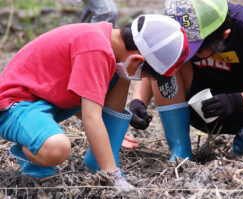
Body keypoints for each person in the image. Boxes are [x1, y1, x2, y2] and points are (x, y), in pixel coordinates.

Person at [0, 14, 190, 189]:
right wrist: (114, 177)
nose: (140, 79)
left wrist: (107, 137)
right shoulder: (96, 49)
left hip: (46, 102)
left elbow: (81, 99)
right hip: (15, 104)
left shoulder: (110, 46)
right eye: (144, 74)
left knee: (120, 77)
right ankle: (29, 151)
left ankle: (94, 161)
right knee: (57, 148)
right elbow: (91, 117)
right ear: (136, 60)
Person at [129, 0, 243, 162]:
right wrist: (138, 100)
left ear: (224, 35)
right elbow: (155, 61)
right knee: (167, 59)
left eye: (195, 49)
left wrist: (236, 101)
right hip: (196, 108)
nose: (188, 54)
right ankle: (180, 151)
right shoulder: (172, 22)